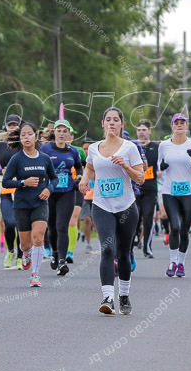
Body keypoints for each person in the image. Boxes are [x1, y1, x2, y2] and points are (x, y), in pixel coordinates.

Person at [77, 107, 144, 314]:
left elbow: (140, 178)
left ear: (122, 124)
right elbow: (89, 166)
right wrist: (85, 178)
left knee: (124, 253)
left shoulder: (130, 148)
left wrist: (125, 166)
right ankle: (107, 298)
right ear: (103, 124)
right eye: (108, 119)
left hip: (125, 207)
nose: (112, 123)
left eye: (116, 120)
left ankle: (123, 296)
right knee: (107, 248)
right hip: (102, 205)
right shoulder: (95, 148)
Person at [1, 121, 57, 287]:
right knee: (26, 244)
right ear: (19, 138)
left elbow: (53, 178)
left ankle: (35, 274)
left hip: (40, 203)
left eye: (29, 134)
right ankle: (25, 253)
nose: (26, 137)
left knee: (38, 238)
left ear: (36, 136)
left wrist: (49, 189)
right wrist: (23, 183)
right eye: (23, 135)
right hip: (21, 204)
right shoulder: (16, 159)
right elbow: (5, 182)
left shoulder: (44, 158)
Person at [158, 113, 191, 277]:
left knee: (184, 229)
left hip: (189, 191)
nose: (179, 125)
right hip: (170, 190)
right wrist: (161, 166)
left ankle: (182, 263)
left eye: (182, 123)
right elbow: (158, 167)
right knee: (174, 227)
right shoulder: (163, 145)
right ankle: (172, 261)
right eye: (176, 123)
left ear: (186, 126)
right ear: (172, 126)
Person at [40, 112, 82, 275]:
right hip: (49, 192)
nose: (62, 134)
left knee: (62, 226)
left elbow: (79, 166)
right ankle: (55, 254)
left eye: (65, 131)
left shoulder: (73, 151)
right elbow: (38, 164)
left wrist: (78, 176)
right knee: (51, 227)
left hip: (67, 191)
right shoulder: (45, 149)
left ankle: (62, 262)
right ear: (54, 133)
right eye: (59, 130)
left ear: (69, 134)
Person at [0, 115, 22, 270]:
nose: (13, 127)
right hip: (6, 188)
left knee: (21, 224)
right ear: (6, 127)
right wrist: (1, 170)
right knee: (9, 223)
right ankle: (11, 251)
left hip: (23, 188)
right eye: (10, 125)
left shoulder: (24, 144)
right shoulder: (0, 146)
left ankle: (20, 256)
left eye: (15, 125)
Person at [134, 120, 159, 259]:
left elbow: (162, 162)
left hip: (150, 189)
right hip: (135, 188)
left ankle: (147, 247)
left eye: (144, 129)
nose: (141, 132)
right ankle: (133, 240)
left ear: (149, 131)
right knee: (134, 217)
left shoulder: (156, 147)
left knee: (148, 217)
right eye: (139, 130)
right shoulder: (132, 146)